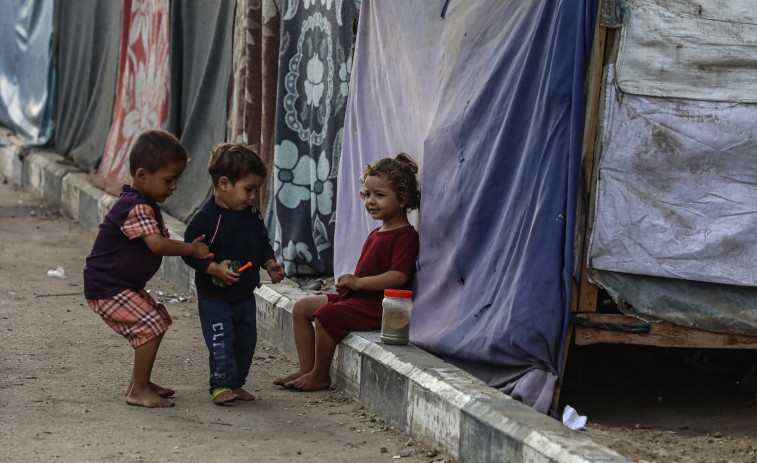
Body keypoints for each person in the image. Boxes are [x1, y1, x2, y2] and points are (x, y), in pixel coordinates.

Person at [84, 129, 213, 408]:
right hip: (108, 286)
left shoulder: (146, 204)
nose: (174, 186)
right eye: (169, 179)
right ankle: (138, 390)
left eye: (177, 179)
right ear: (142, 175)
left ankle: (139, 382)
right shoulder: (136, 207)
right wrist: (192, 249)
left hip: (119, 285)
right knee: (150, 326)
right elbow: (157, 244)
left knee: (157, 320)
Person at [274, 152, 421, 391]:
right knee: (302, 307)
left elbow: (398, 277)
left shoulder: (405, 235)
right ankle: (306, 367)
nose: (371, 201)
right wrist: (349, 285)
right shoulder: (376, 233)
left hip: (377, 307)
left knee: (326, 316)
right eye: (368, 194)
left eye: (380, 195)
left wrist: (359, 283)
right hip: (358, 298)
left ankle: (321, 375)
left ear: (402, 199)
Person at [182, 143, 285, 405]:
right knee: (221, 339)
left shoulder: (251, 214)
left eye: (256, 190)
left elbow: (261, 242)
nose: (253, 197)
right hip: (214, 296)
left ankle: (236, 384)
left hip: (244, 294)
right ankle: (220, 385)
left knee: (245, 341)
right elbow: (188, 252)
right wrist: (214, 268)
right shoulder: (206, 219)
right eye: (248, 190)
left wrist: (270, 263)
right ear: (225, 183)